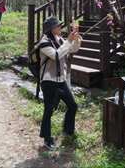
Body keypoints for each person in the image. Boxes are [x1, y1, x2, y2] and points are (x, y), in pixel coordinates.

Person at [38, 17, 82, 150]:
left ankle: (68, 131)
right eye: (58, 26)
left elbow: (72, 50)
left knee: (73, 105)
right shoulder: (44, 42)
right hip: (49, 82)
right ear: (51, 29)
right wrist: (68, 40)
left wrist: (76, 39)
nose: (60, 28)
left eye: (60, 26)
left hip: (61, 80)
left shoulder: (60, 39)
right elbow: (56, 55)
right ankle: (47, 139)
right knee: (49, 110)